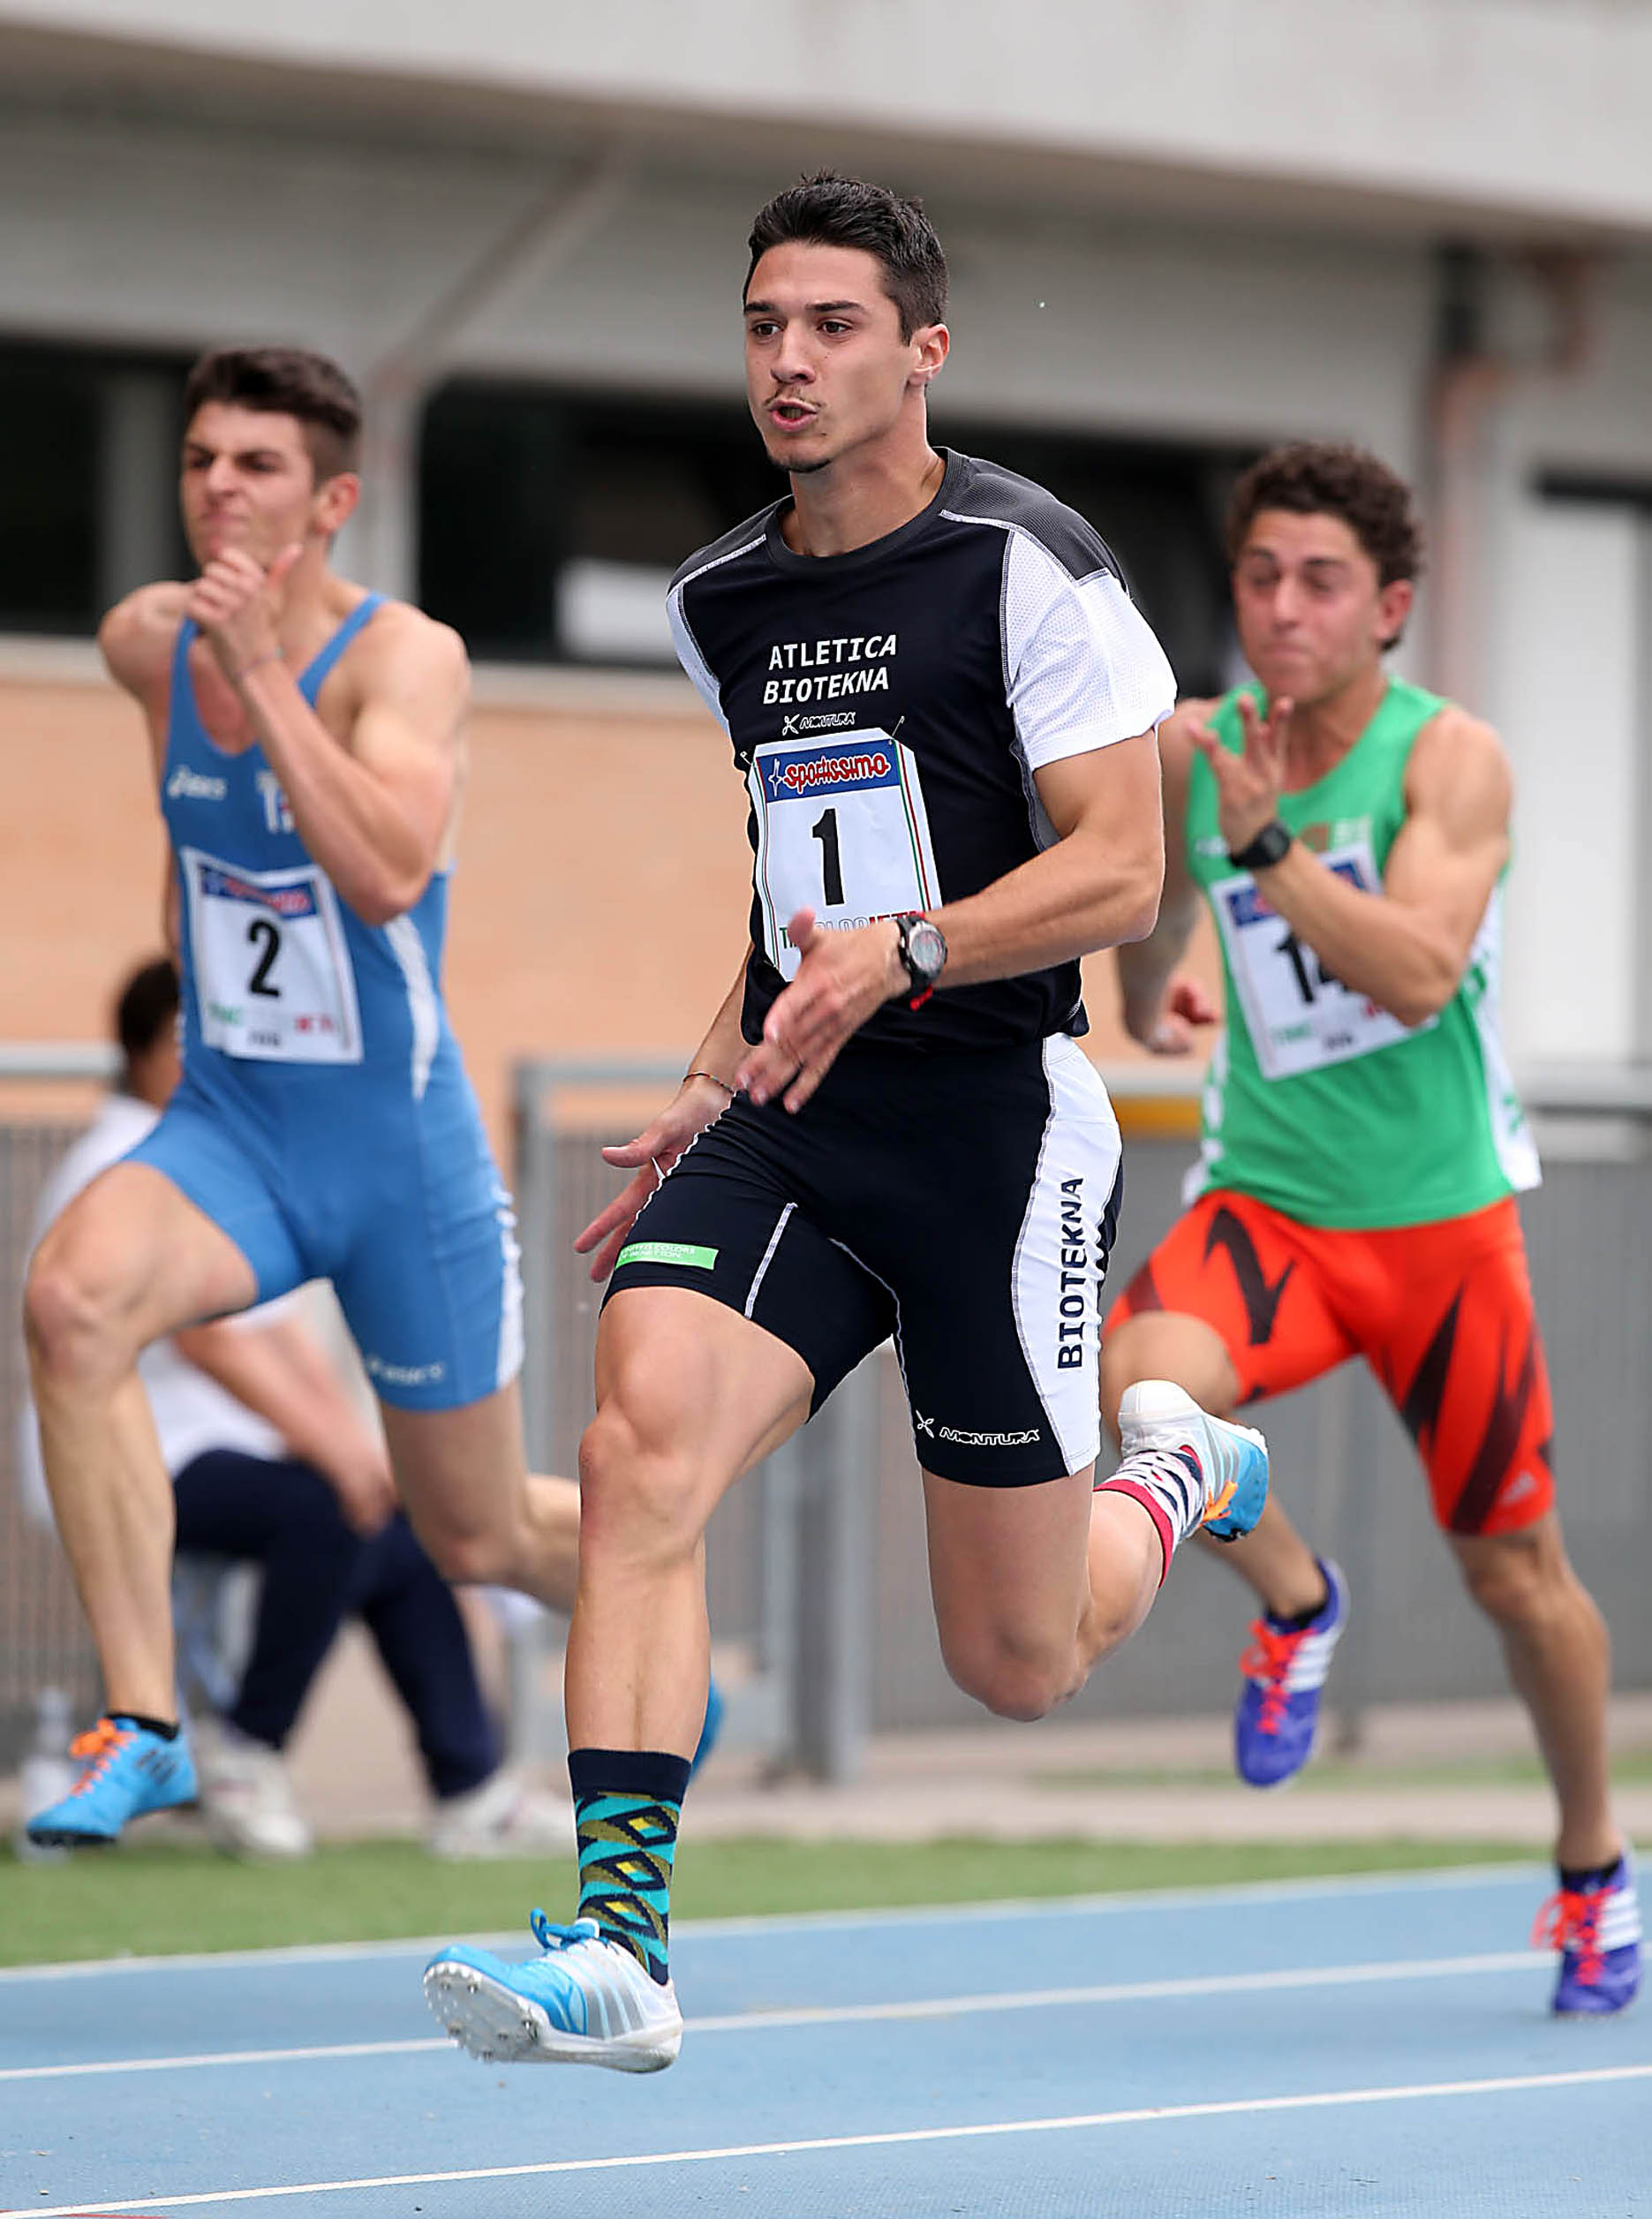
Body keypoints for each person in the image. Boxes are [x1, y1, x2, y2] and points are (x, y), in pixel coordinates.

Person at [422, 171, 1271, 2077]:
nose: (786, 362)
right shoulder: (718, 598)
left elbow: (1122, 870)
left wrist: (910, 949)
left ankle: (1169, 1475)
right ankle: (623, 1942)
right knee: (635, 1443)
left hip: (994, 1133)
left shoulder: (1026, 564)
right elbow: (789, 897)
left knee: (1015, 1659)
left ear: (921, 351)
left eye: (829, 327)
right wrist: (708, 1070)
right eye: (761, 327)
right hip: (797, 1116)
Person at [22, 344, 589, 1850]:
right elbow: (192, 840)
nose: (218, 485)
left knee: (474, 1529)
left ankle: (650, 1608)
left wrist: (265, 671)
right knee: (71, 1303)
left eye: (257, 464)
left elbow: (390, 869)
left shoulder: (407, 661)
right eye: (199, 457)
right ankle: (149, 1726)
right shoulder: (147, 641)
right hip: (235, 1131)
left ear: (332, 500)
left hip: (397, 1153)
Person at [1103, 440, 1641, 2017]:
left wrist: (1269, 845)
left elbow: (1411, 971)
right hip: (1270, 1208)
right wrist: (1157, 986)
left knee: (1515, 1577)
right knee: (1140, 1390)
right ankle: (1295, 1598)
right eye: (1259, 575)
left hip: (1438, 1231)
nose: (1281, 607)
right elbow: (1152, 924)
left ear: (1388, 607)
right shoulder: (1194, 755)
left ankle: (1593, 1863)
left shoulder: (1448, 759)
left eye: (1320, 582)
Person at [19, 956, 570, 1860]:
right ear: (155, 1048)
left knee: (402, 1526)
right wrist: (339, 1459)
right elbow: (211, 1339)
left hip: (226, 1448)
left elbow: (272, 1335)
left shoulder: (235, 1155)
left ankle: (472, 1786)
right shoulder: (129, 1162)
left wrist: (360, 1454)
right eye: (205, 1035)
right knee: (328, 1510)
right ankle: (243, 1750)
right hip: (143, 1451)